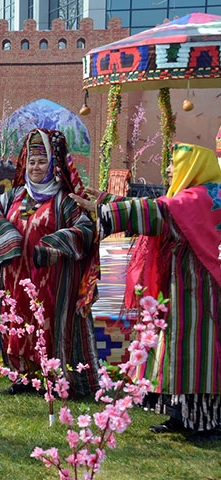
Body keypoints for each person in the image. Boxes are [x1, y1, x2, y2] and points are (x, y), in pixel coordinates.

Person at [71, 142, 221, 442]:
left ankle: (207, 422)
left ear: (192, 168)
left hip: (199, 295)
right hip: (180, 290)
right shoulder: (198, 196)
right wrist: (105, 200)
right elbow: (157, 209)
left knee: (198, 355)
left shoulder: (200, 198)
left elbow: (159, 213)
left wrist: (103, 209)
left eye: (173, 164)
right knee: (175, 353)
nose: (167, 170)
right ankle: (181, 417)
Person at [0, 128, 100, 398]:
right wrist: (7, 237)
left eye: (42, 161)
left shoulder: (65, 201)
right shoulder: (14, 197)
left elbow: (85, 230)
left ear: (54, 165)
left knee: (50, 326)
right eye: (32, 162)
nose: (35, 167)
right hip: (16, 281)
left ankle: (58, 380)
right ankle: (26, 377)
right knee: (18, 324)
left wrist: (51, 246)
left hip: (52, 282)